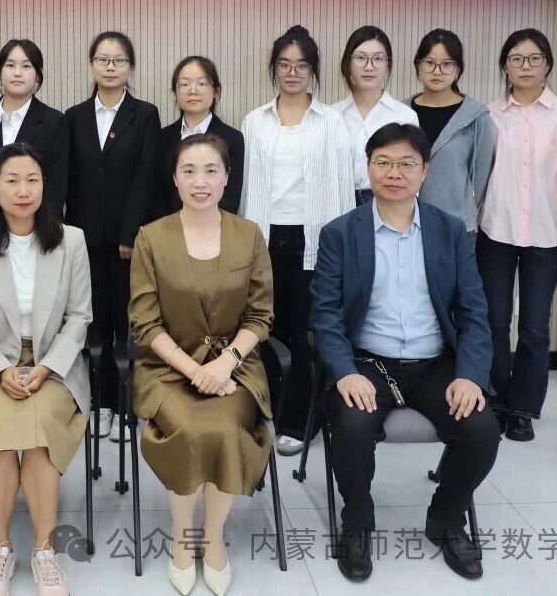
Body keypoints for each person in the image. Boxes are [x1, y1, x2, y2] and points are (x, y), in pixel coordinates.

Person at [309, 123, 499, 583]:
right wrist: (343, 372)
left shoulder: (449, 231)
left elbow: (474, 311)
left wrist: (470, 375)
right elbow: (325, 315)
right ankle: (357, 522)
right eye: (384, 162)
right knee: (352, 426)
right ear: (369, 167)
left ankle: (446, 518)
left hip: (437, 364)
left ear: (425, 170)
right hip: (366, 363)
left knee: (481, 431)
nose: (394, 173)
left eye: (406, 163)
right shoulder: (340, 233)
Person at [130, 133, 274, 596]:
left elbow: (260, 316)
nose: (200, 181)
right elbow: (145, 323)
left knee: (225, 429)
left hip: (236, 367)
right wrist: (197, 372)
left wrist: (225, 364)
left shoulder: (248, 234)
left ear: (227, 177)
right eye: (188, 171)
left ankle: (212, 539)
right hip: (168, 369)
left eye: (211, 170)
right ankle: (182, 539)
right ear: (174, 179)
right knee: (190, 430)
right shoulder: (152, 237)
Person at [0, 144, 92, 596]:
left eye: (32, 179)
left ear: (44, 185)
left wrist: (47, 367)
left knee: (40, 434)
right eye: (12, 180)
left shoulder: (71, 240)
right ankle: (0, 549)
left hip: (55, 363)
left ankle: (44, 551)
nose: (23, 190)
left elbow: (79, 317)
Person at [240, 25, 354, 457]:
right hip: (264, 238)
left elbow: (342, 190)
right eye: (284, 65)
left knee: (306, 331)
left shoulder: (331, 123)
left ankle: (300, 419)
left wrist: (341, 248)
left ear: (313, 71)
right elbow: (246, 188)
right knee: (263, 328)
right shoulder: (255, 121)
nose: (292, 73)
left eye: (301, 66)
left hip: (313, 240)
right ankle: (265, 406)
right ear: (274, 69)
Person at [478, 30, 557, 442]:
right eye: (516, 59)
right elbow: (482, 175)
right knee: (494, 321)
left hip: (546, 232)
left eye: (534, 58)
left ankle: (522, 408)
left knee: (536, 326)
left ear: (547, 64)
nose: (525, 66)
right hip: (495, 230)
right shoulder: (489, 114)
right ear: (505, 66)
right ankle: (494, 400)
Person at [64, 31, 160, 439]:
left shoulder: (146, 114)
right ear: (91, 65)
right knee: (94, 324)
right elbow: (68, 179)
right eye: (102, 60)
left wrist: (130, 234)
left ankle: (126, 406)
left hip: (127, 242)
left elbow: (146, 176)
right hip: (84, 240)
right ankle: (100, 403)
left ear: (130, 68)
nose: (110, 67)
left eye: (119, 60)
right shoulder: (73, 116)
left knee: (129, 323)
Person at [408, 29, 495, 234]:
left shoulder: (476, 116)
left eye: (447, 64)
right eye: (429, 62)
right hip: (406, 223)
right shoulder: (402, 112)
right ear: (418, 66)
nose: (437, 71)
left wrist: (464, 211)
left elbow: (480, 177)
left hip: (456, 225)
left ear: (458, 70)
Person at [0, 39, 69, 216]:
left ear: (37, 75)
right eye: (10, 65)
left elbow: (57, 185)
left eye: (26, 66)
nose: (17, 73)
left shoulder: (55, 121)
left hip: (40, 223)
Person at [330, 25, 419, 206]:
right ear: (348, 63)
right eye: (361, 58)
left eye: (378, 58)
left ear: (387, 65)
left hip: (389, 202)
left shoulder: (404, 115)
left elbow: (411, 171)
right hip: (339, 202)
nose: (369, 66)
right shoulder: (332, 115)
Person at [155, 56, 244, 217]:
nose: (193, 90)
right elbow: (156, 193)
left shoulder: (232, 139)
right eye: (185, 84)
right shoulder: (161, 138)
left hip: (215, 228)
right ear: (175, 93)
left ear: (215, 91)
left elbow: (231, 197)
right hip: (167, 228)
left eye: (201, 84)